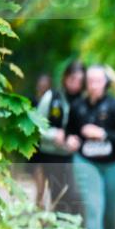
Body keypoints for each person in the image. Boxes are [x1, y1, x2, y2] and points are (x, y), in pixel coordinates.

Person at [67, 65, 115, 229]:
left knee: (110, 209)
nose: (94, 85)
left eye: (98, 81)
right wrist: (70, 139)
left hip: (114, 163)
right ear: (85, 84)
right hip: (86, 162)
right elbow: (70, 132)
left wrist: (103, 134)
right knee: (93, 206)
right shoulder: (78, 107)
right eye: (90, 81)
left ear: (106, 83)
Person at [32, 60, 85, 214]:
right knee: (59, 197)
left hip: (76, 156)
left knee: (76, 196)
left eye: (80, 81)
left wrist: (77, 140)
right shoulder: (52, 97)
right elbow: (37, 125)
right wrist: (54, 134)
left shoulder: (84, 101)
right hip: (53, 156)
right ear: (65, 77)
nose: (75, 85)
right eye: (72, 79)